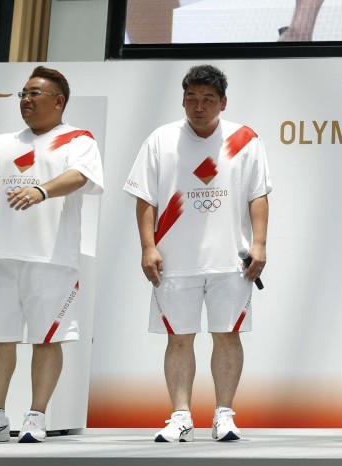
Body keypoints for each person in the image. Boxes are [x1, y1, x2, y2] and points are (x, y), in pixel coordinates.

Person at [0, 66, 104, 443]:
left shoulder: (77, 138)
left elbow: (80, 176)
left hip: (51, 257)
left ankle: (36, 417)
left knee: (46, 339)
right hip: (2, 255)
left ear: (58, 100)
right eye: (23, 93)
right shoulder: (3, 143)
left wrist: (41, 191)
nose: (26, 100)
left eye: (35, 93)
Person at [123, 64, 271, 443]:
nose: (198, 107)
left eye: (208, 100)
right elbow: (145, 197)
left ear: (223, 101)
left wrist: (259, 243)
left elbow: (258, 195)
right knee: (179, 339)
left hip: (230, 260)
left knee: (227, 336)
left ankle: (224, 414)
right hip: (174, 261)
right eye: (191, 99)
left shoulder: (244, 138)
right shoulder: (161, 139)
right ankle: (180, 415)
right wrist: (147, 247)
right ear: (183, 100)